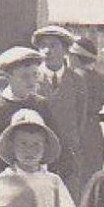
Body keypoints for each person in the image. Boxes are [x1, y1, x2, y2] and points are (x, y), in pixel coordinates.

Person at [0, 46, 75, 205]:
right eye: (24, 76)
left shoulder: (40, 104)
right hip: (5, 190)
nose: (31, 81)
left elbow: (58, 148)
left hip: (36, 186)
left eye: (35, 75)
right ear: (9, 77)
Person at [33, 25, 89, 186]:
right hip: (38, 150)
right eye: (43, 46)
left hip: (68, 152)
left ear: (65, 50)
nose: (47, 50)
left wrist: (74, 146)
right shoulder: (32, 78)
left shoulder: (77, 81)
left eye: (53, 45)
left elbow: (81, 118)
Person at [69, 36, 104, 197]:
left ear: (74, 57)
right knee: (92, 177)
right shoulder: (103, 80)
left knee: (73, 178)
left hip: (74, 129)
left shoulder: (71, 78)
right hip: (94, 131)